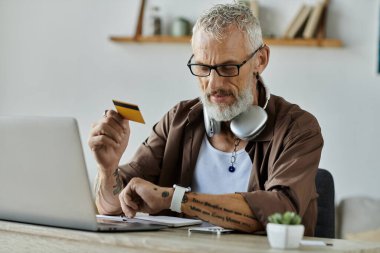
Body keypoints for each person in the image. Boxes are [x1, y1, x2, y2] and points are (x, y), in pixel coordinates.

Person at [88, 3, 323, 235]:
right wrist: (107, 170)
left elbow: (280, 214)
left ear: (260, 60)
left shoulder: (298, 128)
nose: (213, 84)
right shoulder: (178, 120)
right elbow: (112, 206)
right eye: (202, 67)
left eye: (228, 67)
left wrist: (174, 198)